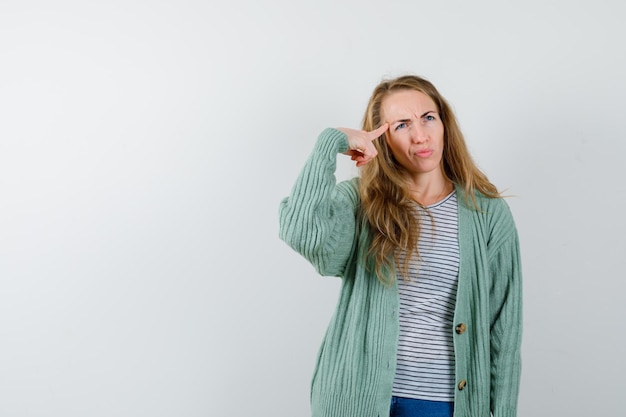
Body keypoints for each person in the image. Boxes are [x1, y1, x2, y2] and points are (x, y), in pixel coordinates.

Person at [279, 75, 522, 417]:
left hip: (445, 404)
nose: (420, 135)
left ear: (444, 123)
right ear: (383, 139)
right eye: (402, 125)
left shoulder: (488, 214)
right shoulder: (362, 203)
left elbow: (504, 330)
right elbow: (303, 232)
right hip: (357, 400)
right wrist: (329, 143)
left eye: (428, 118)